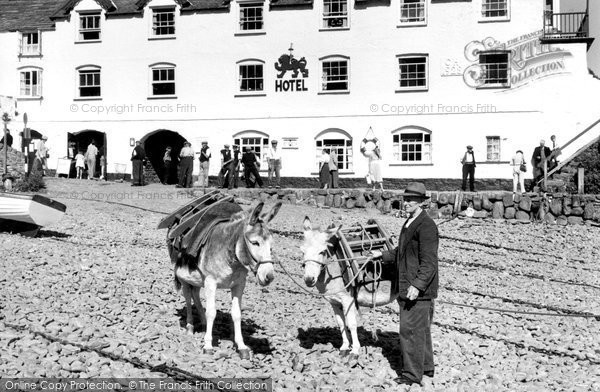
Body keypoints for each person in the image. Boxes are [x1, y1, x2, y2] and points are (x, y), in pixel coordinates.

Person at [372, 182, 438, 387]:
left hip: (417, 290)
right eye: (405, 199)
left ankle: (411, 375)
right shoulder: (411, 221)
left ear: (421, 203)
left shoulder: (426, 225)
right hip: (409, 285)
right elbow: (402, 250)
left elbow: (429, 262)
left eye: (411, 200)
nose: (406, 203)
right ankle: (426, 368)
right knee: (422, 330)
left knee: (409, 331)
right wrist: (381, 255)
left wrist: (417, 285)